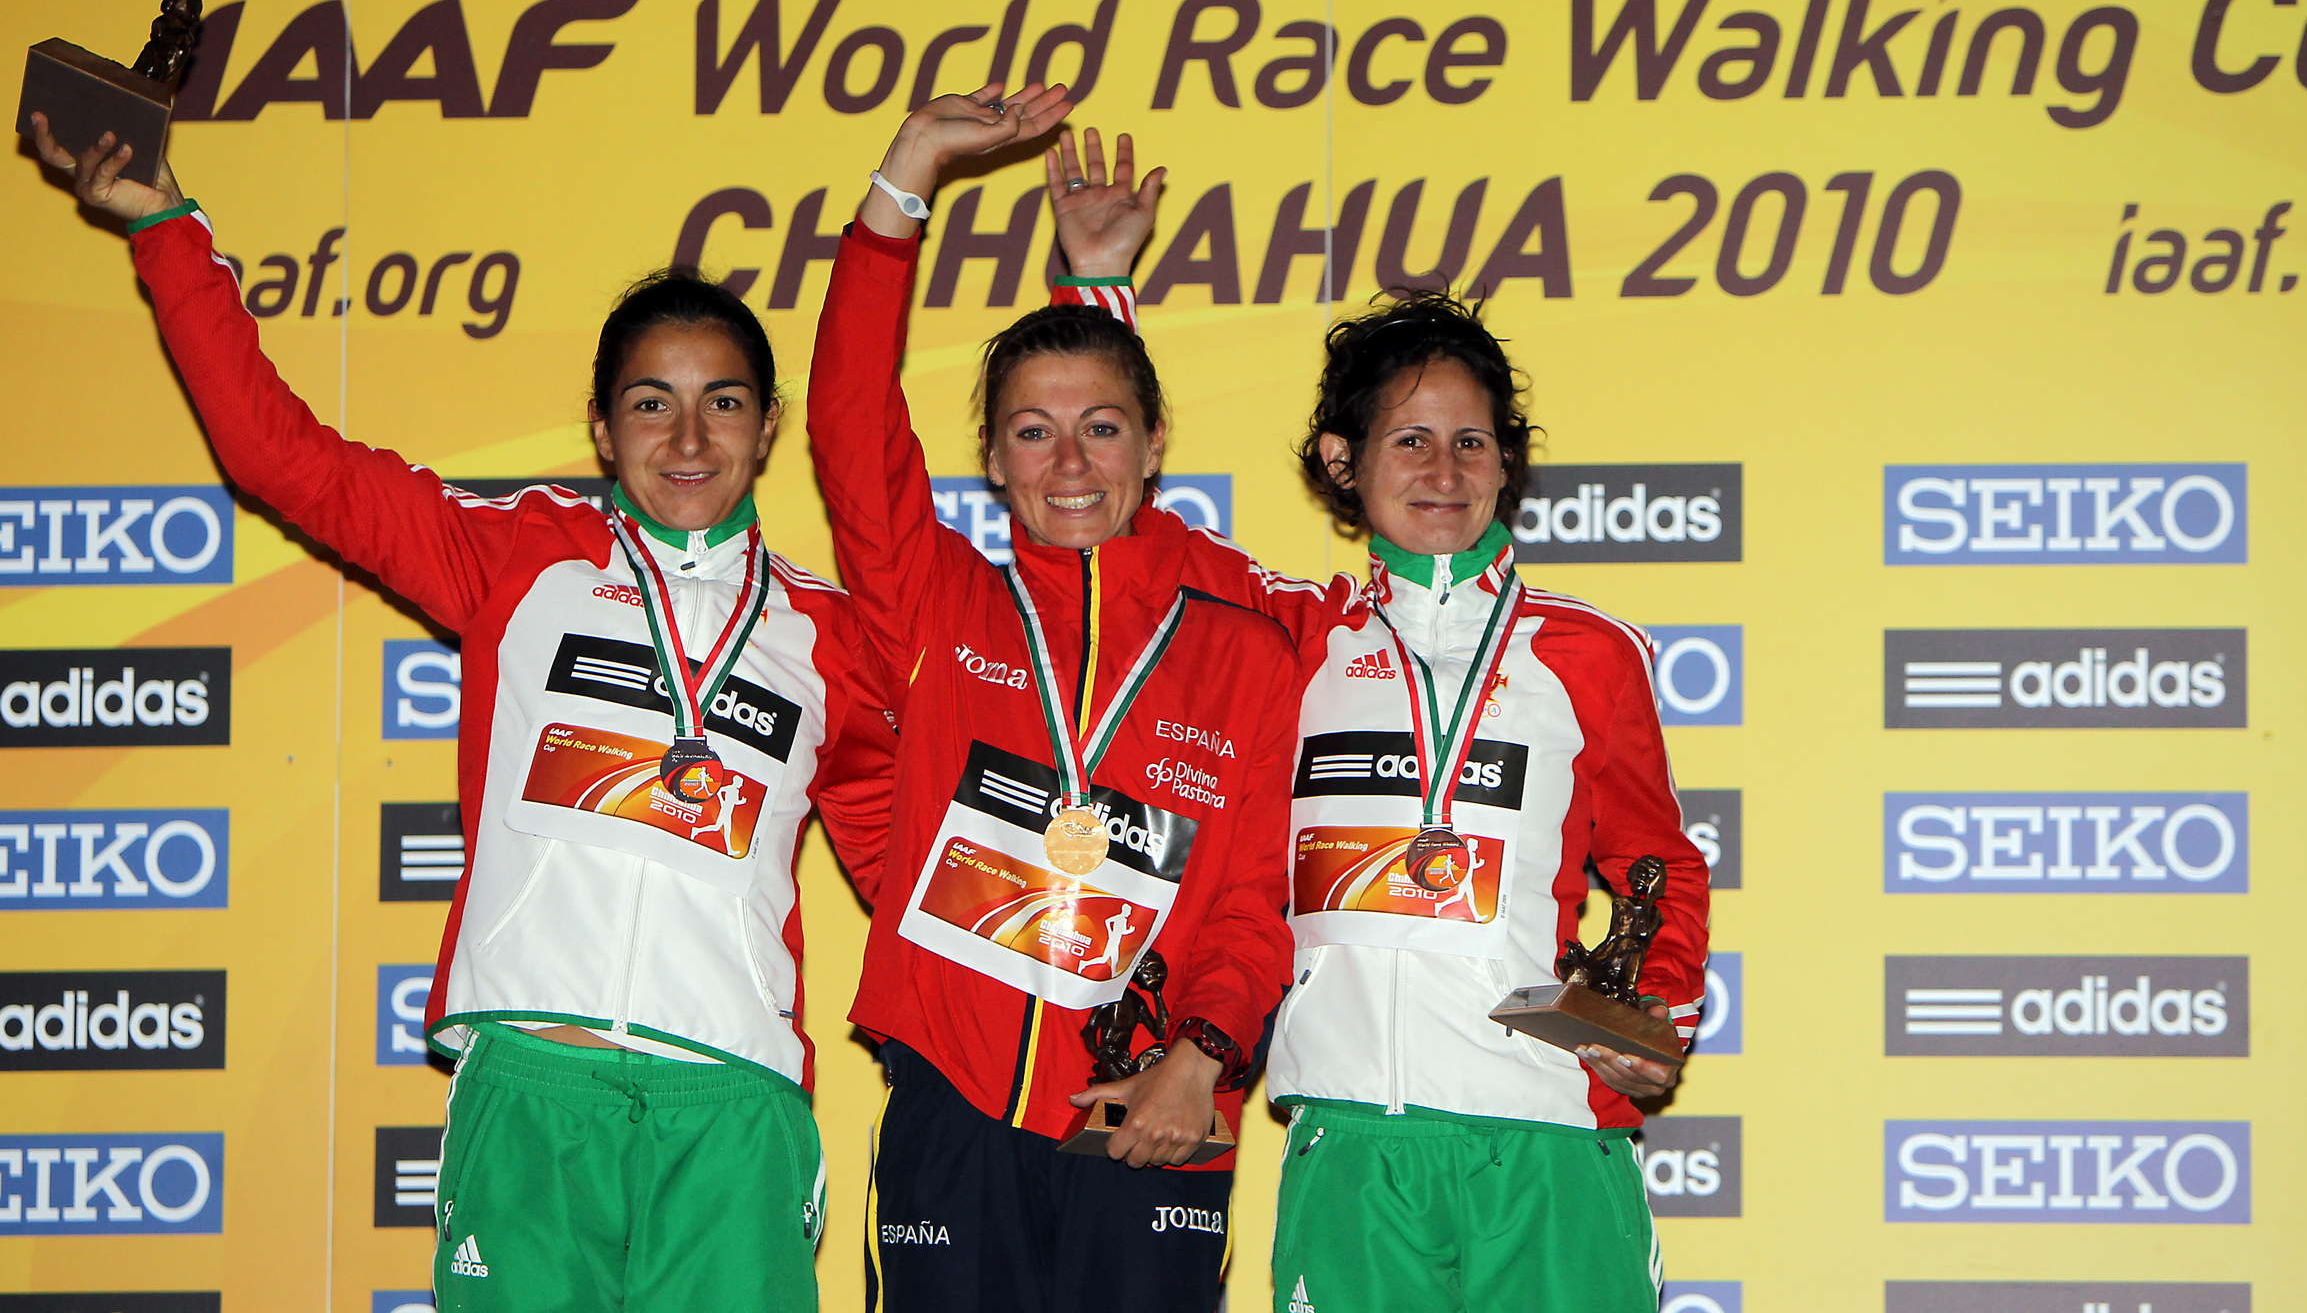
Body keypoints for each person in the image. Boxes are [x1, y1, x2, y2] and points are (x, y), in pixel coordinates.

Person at [28, 114, 893, 1313]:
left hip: (734, 1105)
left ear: (767, 427)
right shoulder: (518, 559)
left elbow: (911, 874)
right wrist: (166, 227)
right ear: (603, 429)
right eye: (652, 404)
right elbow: (284, 461)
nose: (689, 438)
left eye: (724, 403)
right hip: (534, 1086)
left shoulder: (832, 637)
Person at [1048, 128, 1712, 1313]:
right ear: (1342, 460)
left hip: (1548, 1139)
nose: (1443, 469)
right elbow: (1130, 524)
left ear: (1507, 462)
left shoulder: (1587, 654)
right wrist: (1098, 282)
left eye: (1471, 441)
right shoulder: (1296, 636)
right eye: (1409, 439)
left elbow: (1659, 862)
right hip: (1355, 1139)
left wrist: (1647, 1018)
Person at [804, 84, 1296, 1313]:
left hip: (1151, 1108)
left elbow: (1253, 906)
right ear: (990, 457)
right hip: (956, 1107)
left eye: (1101, 429)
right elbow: (850, 423)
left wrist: (1203, 1056)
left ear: (1155, 441)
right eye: (1032, 433)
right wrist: (908, 173)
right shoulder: (938, 604)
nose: (1070, 463)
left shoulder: (1242, 645)